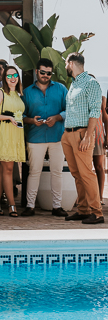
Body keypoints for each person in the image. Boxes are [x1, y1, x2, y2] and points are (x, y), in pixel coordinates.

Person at [21, 58, 68, 217]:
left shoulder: (61, 89)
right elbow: (21, 116)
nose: (46, 75)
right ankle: (30, 206)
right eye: (43, 72)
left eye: (49, 73)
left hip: (57, 137)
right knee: (34, 172)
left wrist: (58, 117)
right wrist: (31, 121)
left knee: (57, 172)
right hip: (35, 137)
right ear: (36, 72)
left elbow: (69, 110)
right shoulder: (27, 92)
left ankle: (57, 206)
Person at [62, 53, 103, 224]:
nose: (65, 66)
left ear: (70, 63)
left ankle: (97, 213)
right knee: (77, 174)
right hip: (68, 135)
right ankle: (84, 210)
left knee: (86, 173)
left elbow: (95, 111)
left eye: (66, 63)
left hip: (81, 134)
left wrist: (87, 136)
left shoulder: (91, 83)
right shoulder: (74, 84)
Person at [0, 65, 26, 217]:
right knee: (8, 170)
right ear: (4, 78)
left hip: (15, 134)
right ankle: (12, 204)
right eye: (9, 76)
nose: (12, 78)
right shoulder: (0, 93)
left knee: (3, 171)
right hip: (3, 132)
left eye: (15, 75)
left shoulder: (18, 94)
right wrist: (9, 118)